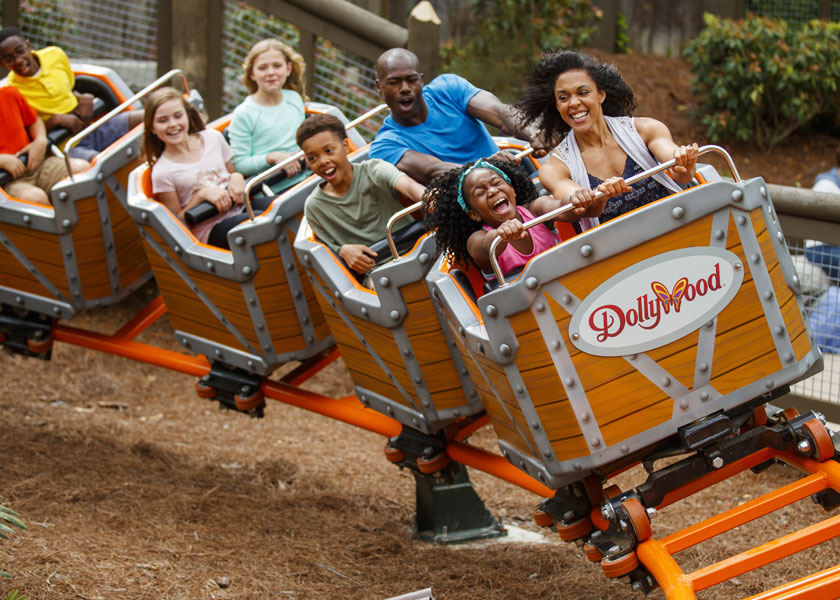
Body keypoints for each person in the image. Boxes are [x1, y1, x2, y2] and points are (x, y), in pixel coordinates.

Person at [515, 50, 698, 230]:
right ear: (557, 105)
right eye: (564, 98)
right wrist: (600, 197)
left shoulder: (646, 129)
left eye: (583, 92)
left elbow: (681, 173)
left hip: (673, 226)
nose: (574, 103)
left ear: (600, 95)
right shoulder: (554, 168)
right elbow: (581, 208)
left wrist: (684, 162)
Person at [369, 48, 550, 185]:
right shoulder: (385, 145)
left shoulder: (448, 88)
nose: (405, 89)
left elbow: (500, 113)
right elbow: (434, 170)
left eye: (411, 80)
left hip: (511, 177)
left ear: (421, 80)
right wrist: (485, 165)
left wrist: (534, 132)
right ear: (379, 88)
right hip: (469, 205)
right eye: (394, 82)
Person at [297, 114, 426, 283]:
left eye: (329, 151)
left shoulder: (374, 170)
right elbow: (333, 252)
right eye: (312, 158)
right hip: (379, 273)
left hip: (419, 250)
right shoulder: (315, 207)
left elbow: (408, 186)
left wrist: (428, 197)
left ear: (345, 146)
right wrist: (343, 250)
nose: (322, 161)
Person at [141, 87, 272, 249]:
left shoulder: (213, 138)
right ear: (152, 128)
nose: (173, 124)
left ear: (187, 115)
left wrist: (236, 177)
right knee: (258, 221)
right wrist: (200, 196)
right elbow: (176, 226)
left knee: (277, 206)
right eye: (163, 120)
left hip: (239, 208)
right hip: (209, 228)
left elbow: (232, 174)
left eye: (178, 116)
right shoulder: (162, 172)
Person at [424, 158, 600, 277]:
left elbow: (563, 208)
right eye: (480, 193)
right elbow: (486, 245)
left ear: (513, 190)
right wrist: (500, 235)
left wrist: (576, 199)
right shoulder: (476, 239)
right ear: (474, 214)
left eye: (496, 183)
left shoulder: (535, 209)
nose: (492, 191)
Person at [0, 27, 143, 161]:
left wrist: (83, 97)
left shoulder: (55, 55)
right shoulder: (13, 92)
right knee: (104, 161)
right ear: (3, 64)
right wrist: (55, 121)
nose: (18, 60)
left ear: (28, 45)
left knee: (147, 116)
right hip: (68, 146)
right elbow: (31, 134)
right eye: (9, 59)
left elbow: (68, 88)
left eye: (20, 51)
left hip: (94, 127)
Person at [228, 39, 308, 190]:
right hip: (270, 189)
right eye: (262, 68)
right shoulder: (244, 113)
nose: (271, 73)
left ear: (288, 68)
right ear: (252, 74)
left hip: (307, 178)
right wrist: (272, 157)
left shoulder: (294, 99)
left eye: (277, 66)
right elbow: (240, 164)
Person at [0, 86, 87, 204]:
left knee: (81, 169)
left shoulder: (9, 94)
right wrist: (2, 160)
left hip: (39, 164)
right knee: (35, 198)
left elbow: (34, 119)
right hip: (7, 180)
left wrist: (40, 140)